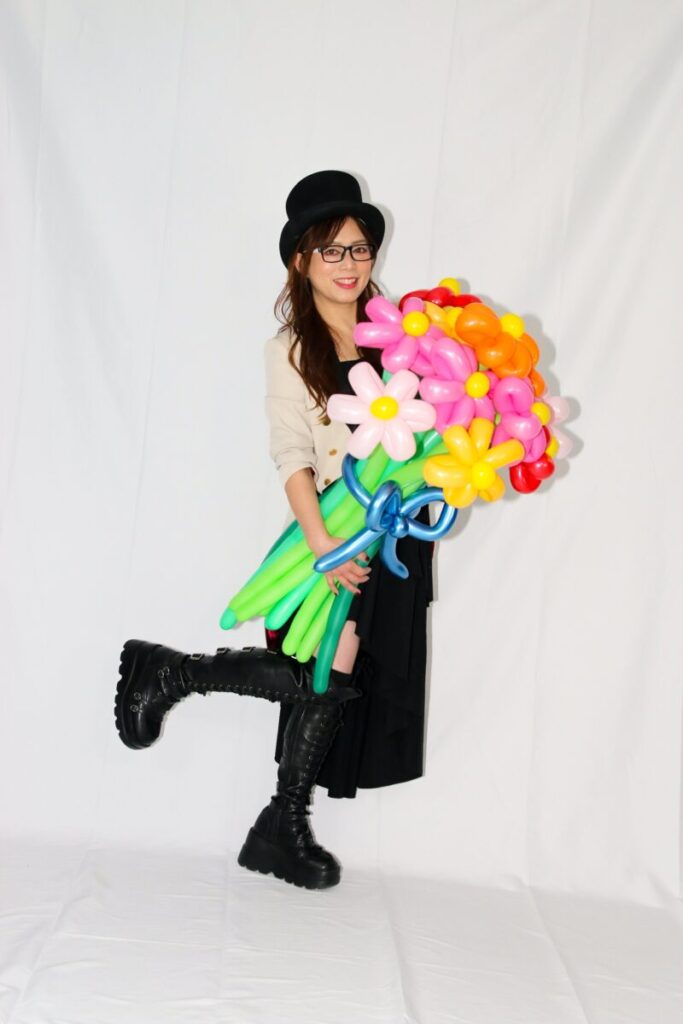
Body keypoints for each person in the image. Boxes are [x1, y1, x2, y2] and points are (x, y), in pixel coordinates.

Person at [114, 170, 434, 891]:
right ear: (300, 260)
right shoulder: (291, 349)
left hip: (400, 527)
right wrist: (324, 545)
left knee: (337, 671)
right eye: (332, 251)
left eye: (359, 249)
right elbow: (292, 456)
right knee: (327, 661)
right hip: (339, 525)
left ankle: (277, 823)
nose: (349, 265)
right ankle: (176, 675)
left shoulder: (406, 336)